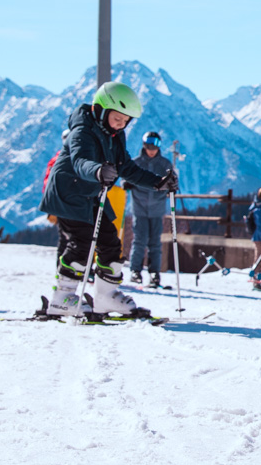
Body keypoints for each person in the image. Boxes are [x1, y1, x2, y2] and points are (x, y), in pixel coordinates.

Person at [37, 81, 177, 317]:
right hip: (68, 193)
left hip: (91, 193)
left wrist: (158, 182)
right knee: (82, 242)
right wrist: (98, 170)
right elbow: (80, 162)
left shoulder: (115, 135)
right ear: (101, 110)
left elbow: (127, 167)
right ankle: (62, 298)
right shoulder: (82, 130)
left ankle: (106, 297)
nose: (121, 124)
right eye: (117, 119)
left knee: (110, 241)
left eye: (125, 121)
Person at [126, 131, 177, 286]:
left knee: (155, 242)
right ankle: (135, 271)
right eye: (149, 146)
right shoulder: (136, 163)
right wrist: (126, 183)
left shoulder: (164, 164)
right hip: (139, 207)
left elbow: (173, 181)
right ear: (144, 145)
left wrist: (172, 187)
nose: (152, 149)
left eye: (156, 146)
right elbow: (125, 177)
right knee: (139, 240)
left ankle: (154, 272)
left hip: (157, 208)